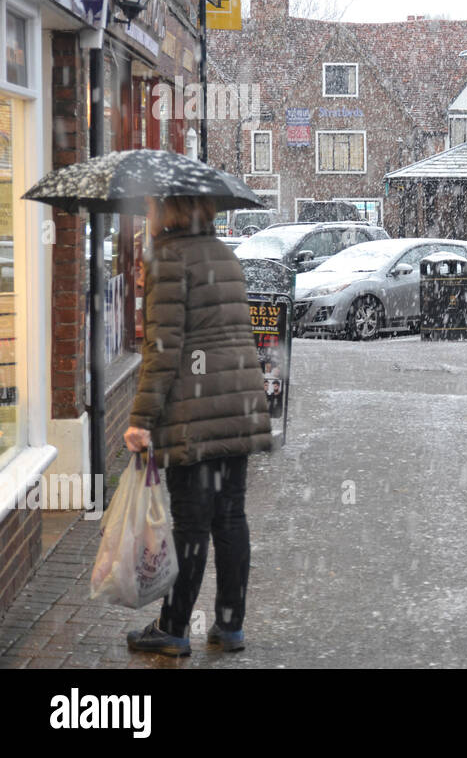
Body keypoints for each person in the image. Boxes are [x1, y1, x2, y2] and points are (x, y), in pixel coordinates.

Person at [123, 195, 273, 657]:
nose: (146, 215)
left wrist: (141, 419)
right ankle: (229, 626)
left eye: (150, 207)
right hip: (237, 405)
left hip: (196, 412)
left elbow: (164, 351)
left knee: (190, 523)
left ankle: (172, 629)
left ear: (167, 212)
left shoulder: (169, 258)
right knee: (230, 517)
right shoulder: (225, 254)